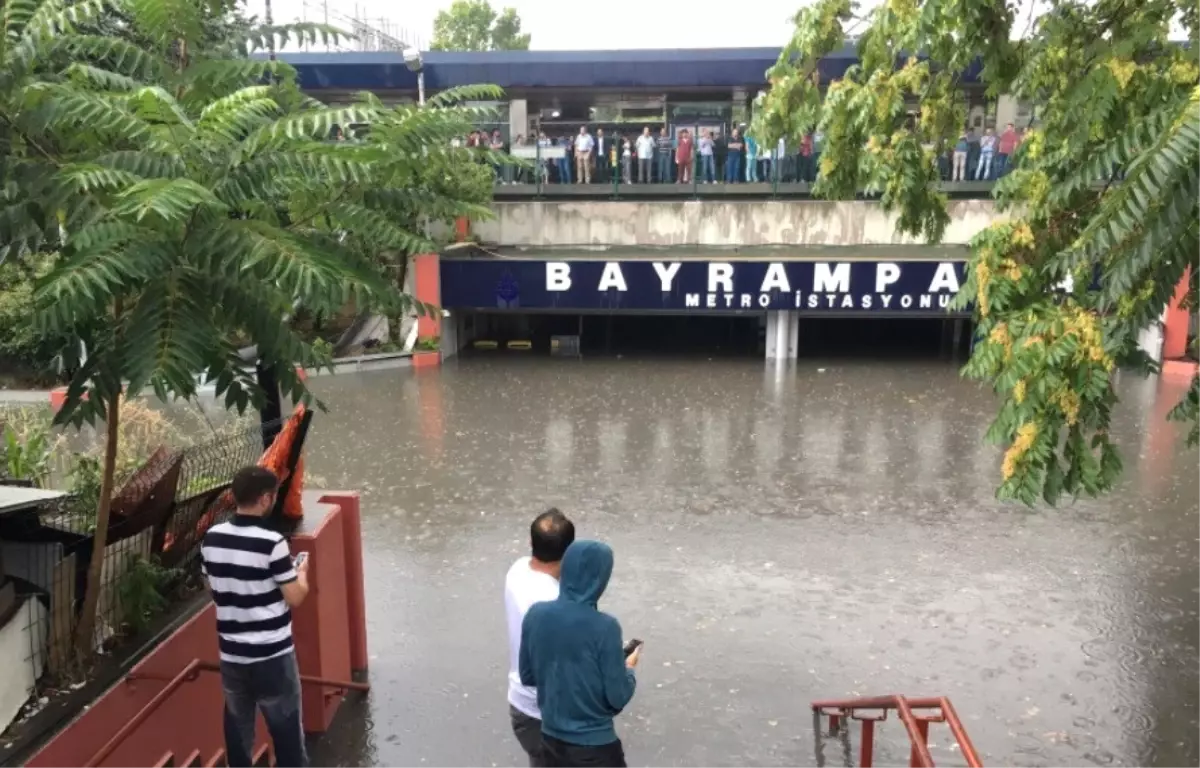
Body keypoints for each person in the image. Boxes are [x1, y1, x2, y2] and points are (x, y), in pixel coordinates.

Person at [201, 466, 310, 768]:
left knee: (238, 735)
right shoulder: (272, 543)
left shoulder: (211, 538)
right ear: (264, 499)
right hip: (272, 656)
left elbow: (213, 588)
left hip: (232, 655)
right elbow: (296, 597)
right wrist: (301, 573)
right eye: (273, 496)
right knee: (287, 734)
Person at [520, 540, 640, 768]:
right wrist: (630, 669)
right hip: (595, 750)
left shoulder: (535, 614)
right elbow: (618, 696)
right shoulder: (605, 627)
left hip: (550, 743)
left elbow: (528, 676)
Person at [506, 509, 577, 768]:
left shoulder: (516, 571)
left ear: (530, 542)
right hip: (547, 714)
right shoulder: (556, 603)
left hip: (520, 703)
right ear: (569, 552)